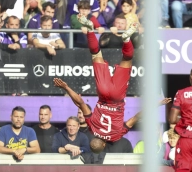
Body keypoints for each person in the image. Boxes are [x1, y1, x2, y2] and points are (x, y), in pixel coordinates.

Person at [54, 15, 140, 154]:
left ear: (104, 145)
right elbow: (81, 102)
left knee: (127, 58)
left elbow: (135, 118)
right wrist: (66, 87)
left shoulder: (116, 136)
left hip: (117, 96)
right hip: (103, 91)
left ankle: (126, 39)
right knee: (95, 54)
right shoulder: (92, 128)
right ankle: (89, 30)